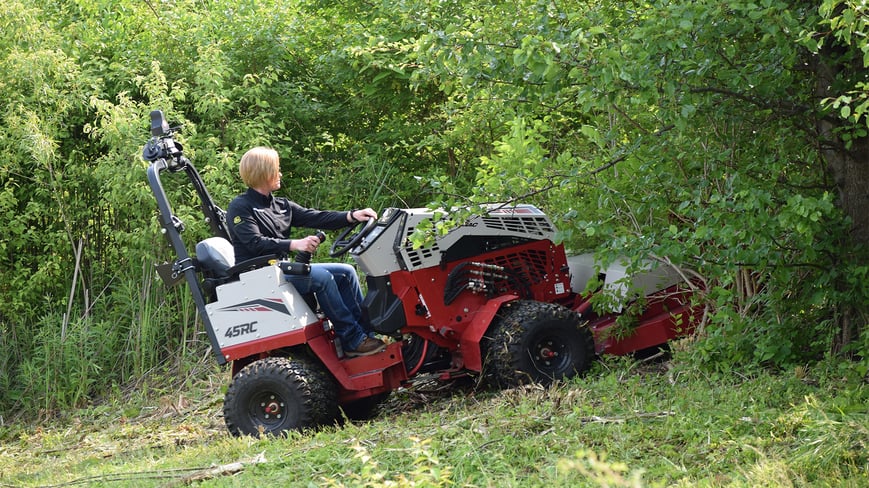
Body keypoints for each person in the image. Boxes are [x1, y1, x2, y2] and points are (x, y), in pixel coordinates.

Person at [226, 146, 385, 357]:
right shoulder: (240, 207)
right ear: (264, 172)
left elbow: (317, 217)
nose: (280, 173)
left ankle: (365, 333)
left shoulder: (281, 205)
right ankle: (352, 339)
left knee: (346, 271)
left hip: (280, 270)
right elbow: (254, 243)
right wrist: (295, 244)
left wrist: (352, 216)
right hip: (259, 275)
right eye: (277, 169)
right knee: (323, 278)